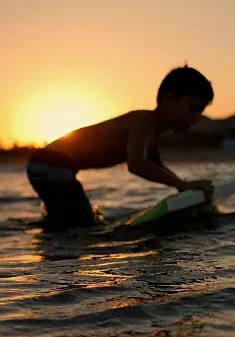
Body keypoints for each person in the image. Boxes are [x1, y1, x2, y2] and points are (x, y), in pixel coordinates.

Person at [26, 65, 215, 228]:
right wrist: (182, 184)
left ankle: (50, 238)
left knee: (66, 220)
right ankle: (57, 258)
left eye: (201, 112)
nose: (197, 118)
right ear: (169, 99)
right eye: (192, 109)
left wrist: (184, 187)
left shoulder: (153, 134)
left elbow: (157, 167)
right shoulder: (144, 121)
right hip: (51, 164)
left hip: (47, 165)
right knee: (82, 223)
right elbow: (137, 164)